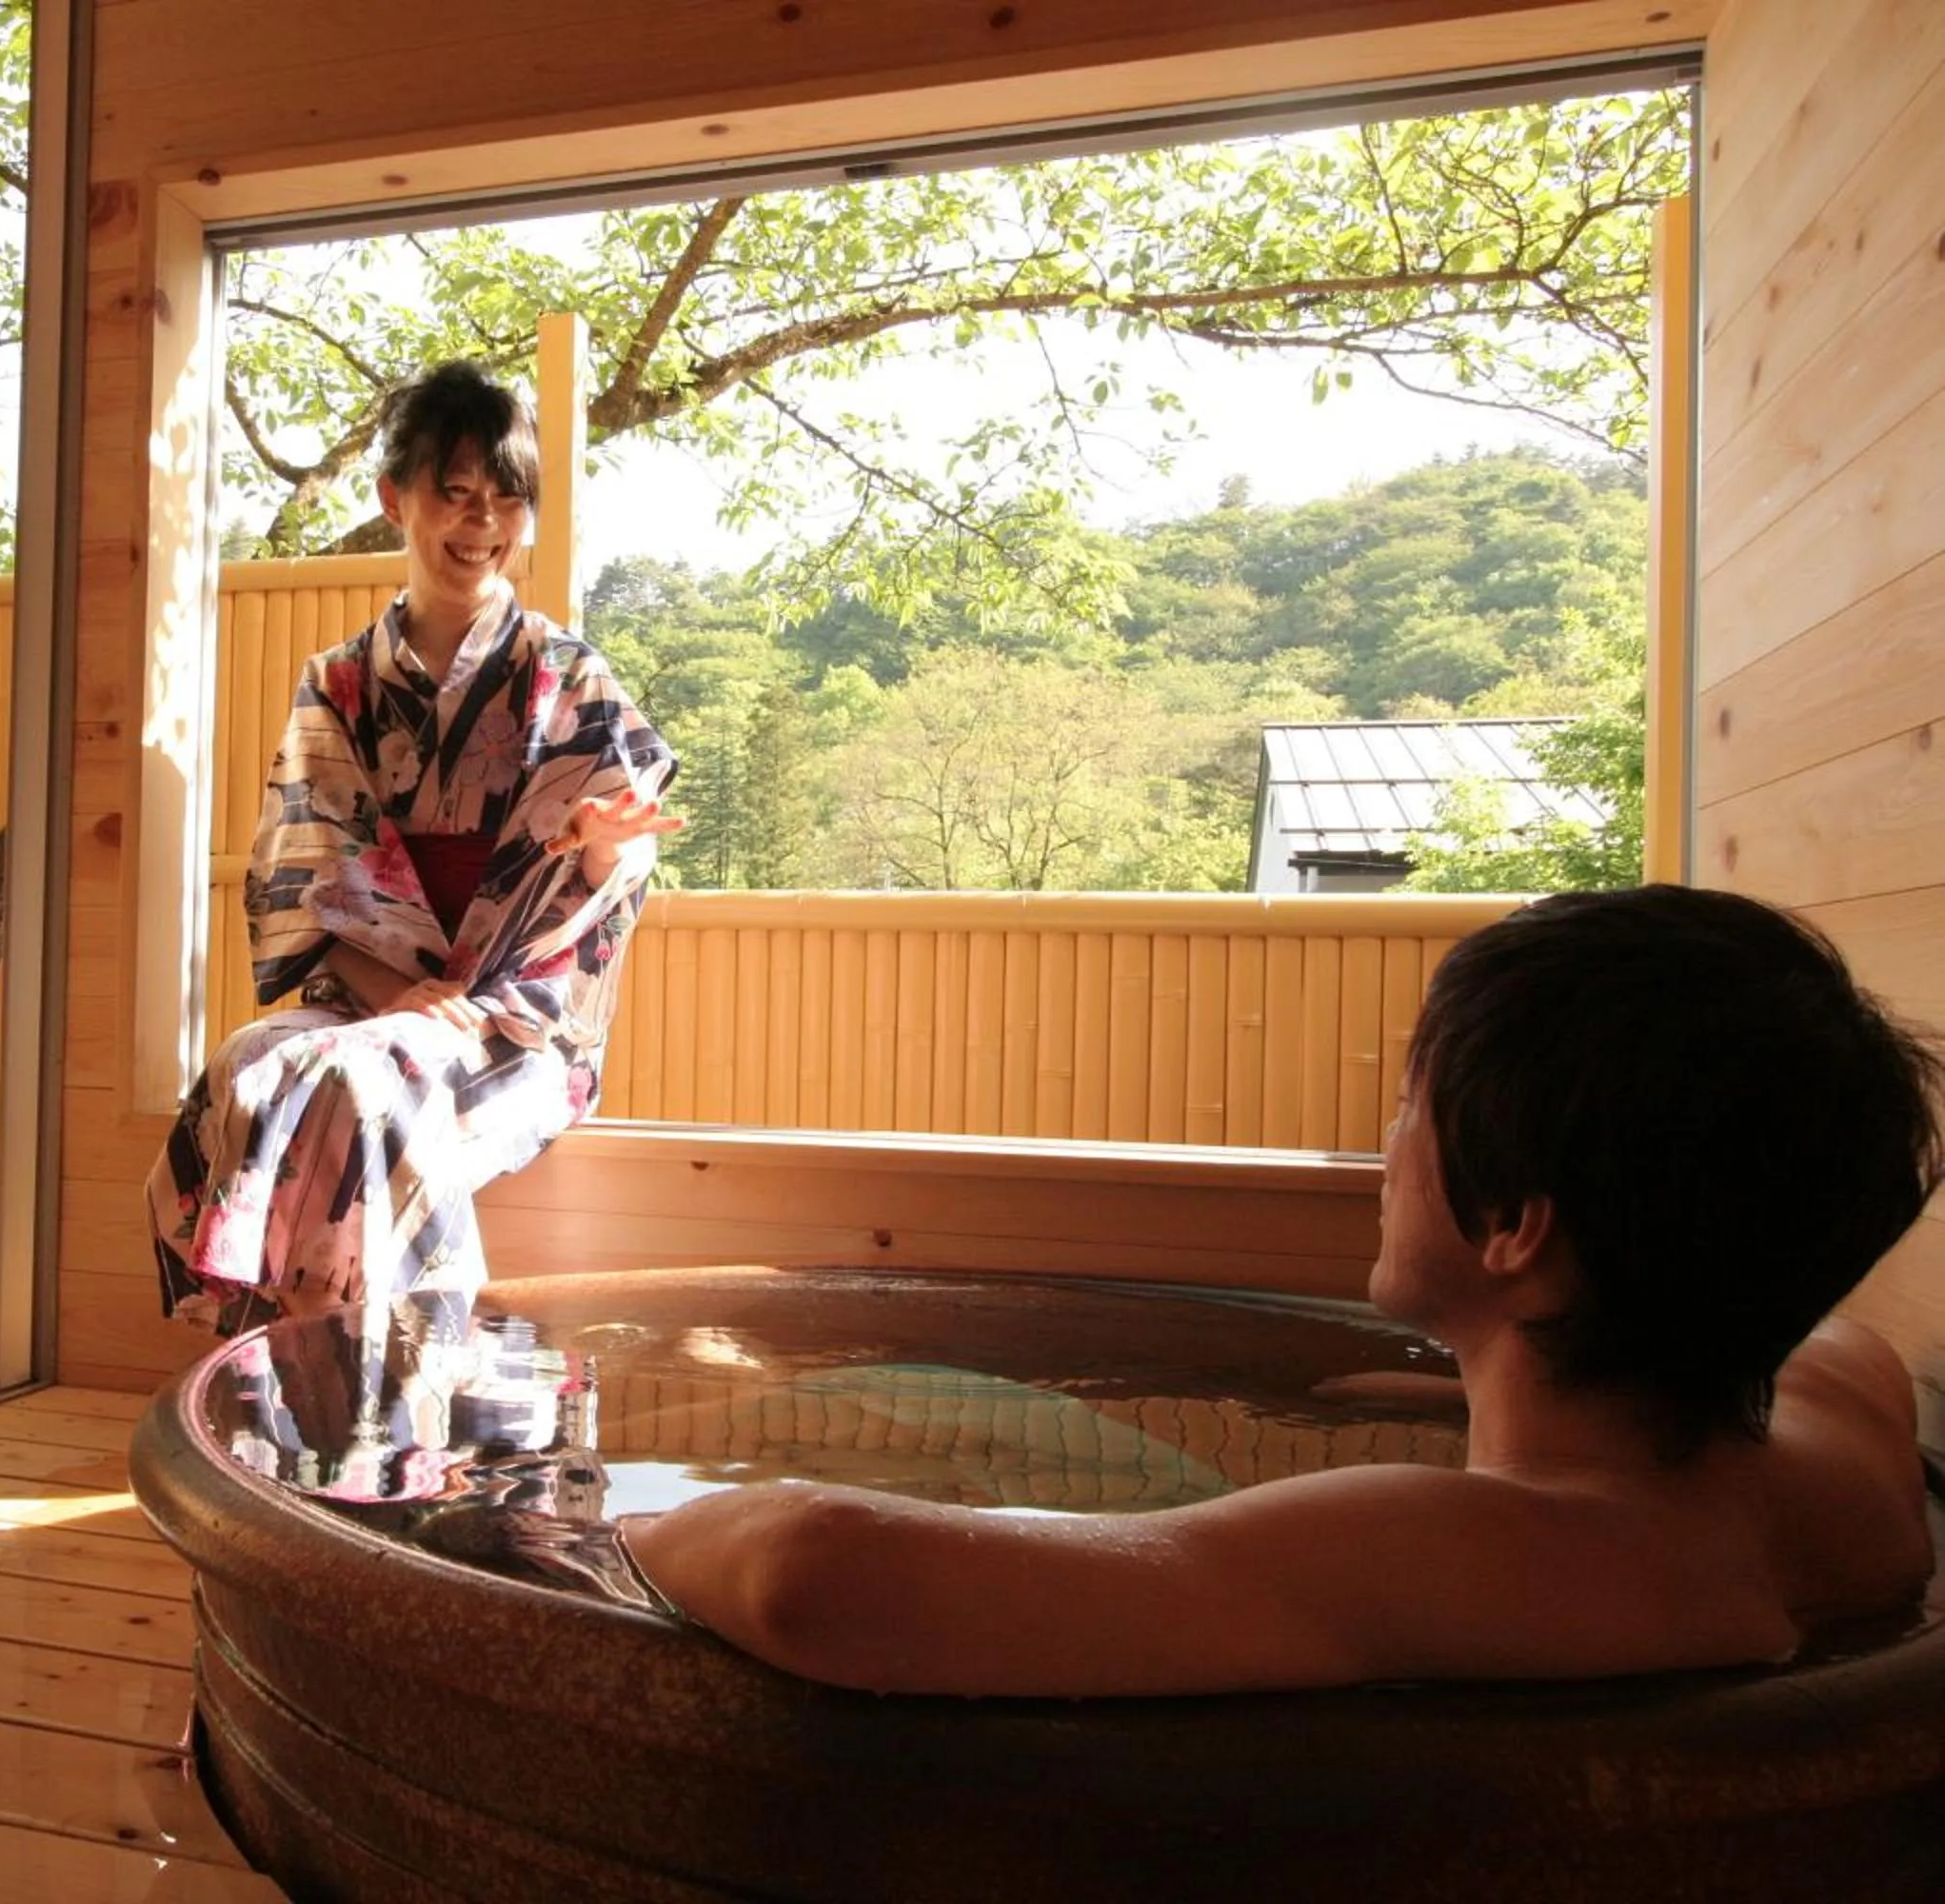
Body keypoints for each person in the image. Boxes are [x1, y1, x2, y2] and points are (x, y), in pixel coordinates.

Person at [625, 884, 1941, 1696]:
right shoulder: (1852, 1428)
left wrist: (612, 1528)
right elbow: (1817, 1321)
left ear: (1517, 1229)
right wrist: (1474, 1357)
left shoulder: (1492, 1550)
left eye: (1412, 1106)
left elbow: (819, 1574)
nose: (1386, 1147)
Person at [149, 360, 679, 1338]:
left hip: (512, 1023)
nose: (481, 523)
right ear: (398, 498)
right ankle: (300, 1374)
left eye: (505, 500)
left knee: (359, 1079)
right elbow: (301, 876)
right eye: (456, 492)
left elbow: (617, 857)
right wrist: (393, 992)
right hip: (370, 998)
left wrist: (602, 851)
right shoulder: (341, 683)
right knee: (248, 1062)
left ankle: (399, 1386)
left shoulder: (566, 676)